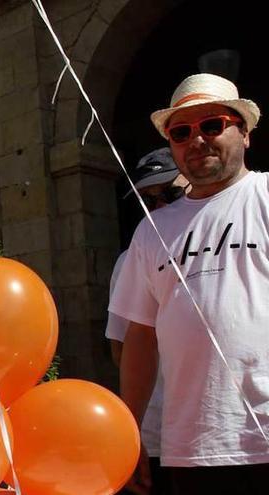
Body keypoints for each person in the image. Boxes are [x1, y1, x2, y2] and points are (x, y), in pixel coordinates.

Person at [111, 73, 269, 495]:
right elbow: (139, 336)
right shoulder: (151, 231)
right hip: (192, 447)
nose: (196, 140)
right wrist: (131, 433)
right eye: (182, 132)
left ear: (245, 133)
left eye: (212, 125)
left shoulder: (266, 196)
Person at [106, 147, 189, 495]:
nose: (159, 209)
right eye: (147, 201)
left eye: (169, 194)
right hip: (157, 434)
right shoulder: (131, 258)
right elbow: (121, 349)